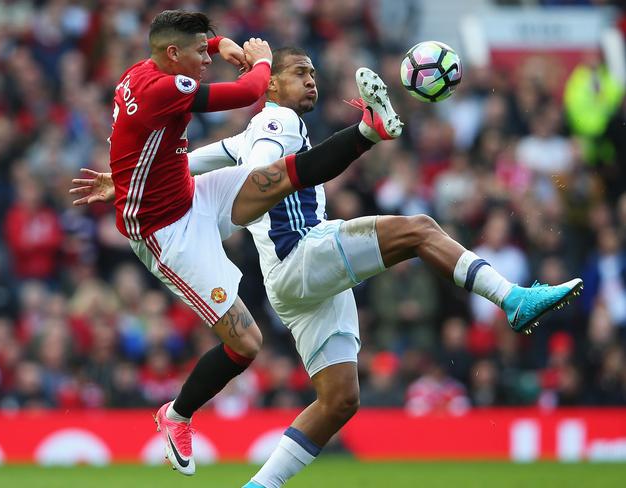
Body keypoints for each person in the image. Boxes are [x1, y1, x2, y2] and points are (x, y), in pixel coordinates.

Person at [73, 44, 584, 487]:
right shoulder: (278, 120)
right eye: (300, 73)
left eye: (314, 73)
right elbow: (261, 171)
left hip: (292, 283)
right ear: (270, 83)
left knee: (339, 399)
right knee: (420, 229)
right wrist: (355, 137)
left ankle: (259, 486)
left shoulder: (253, 130)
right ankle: (513, 300)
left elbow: (189, 163)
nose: (311, 80)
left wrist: (120, 184)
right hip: (301, 255)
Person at [70, 9, 404, 477]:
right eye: (198, 54)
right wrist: (261, 61)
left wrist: (217, 43)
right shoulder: (166, 88)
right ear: (172, 56)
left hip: (190, 193)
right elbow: (248, 91)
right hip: (165, 232)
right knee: (247, 343)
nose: (206, 61)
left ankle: (368, 132)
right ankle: (176, 415)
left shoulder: (146, 68)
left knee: (271, 179)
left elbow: (193, 50)